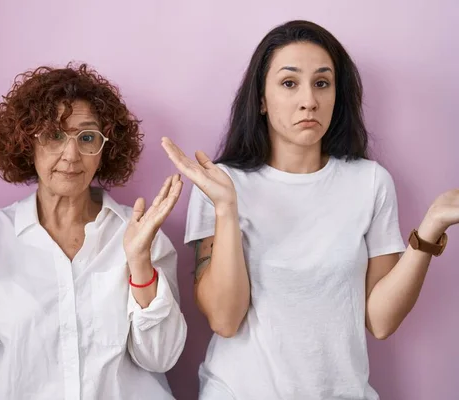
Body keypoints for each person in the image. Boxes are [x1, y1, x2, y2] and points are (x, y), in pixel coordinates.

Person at [162, 20, 458, 400]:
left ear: (337, 94)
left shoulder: (369, 182)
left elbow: (380, 321)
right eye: (289, 83)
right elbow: (224, 318)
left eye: (322, 83)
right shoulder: (221, 184)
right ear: (262, 100)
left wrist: (430, 229)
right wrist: (227, 208)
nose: (309, 100)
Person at [0, 64, 187, 400]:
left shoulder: (141, 235)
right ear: (27, 143)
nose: (71, 155)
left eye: (87, 137)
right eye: (54, 136)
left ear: (105, 149)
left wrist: (138, 263)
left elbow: (160, 357)